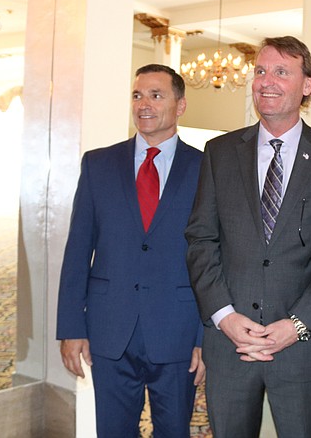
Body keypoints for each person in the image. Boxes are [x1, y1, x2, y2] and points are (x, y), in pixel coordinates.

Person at [185, 36, 311, 438]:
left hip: (300, 350)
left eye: (282, 72)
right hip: (230, 346)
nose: (267, 81)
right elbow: (200, 240)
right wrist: (224, 317)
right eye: (261, 71)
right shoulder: (219, 152)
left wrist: (296, 325)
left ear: (307, 85)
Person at [56, 64, 205, 437]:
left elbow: (215, 259)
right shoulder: (98, 164)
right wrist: (71, 328)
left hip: (178, 331)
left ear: (180, 105)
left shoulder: (207, 168)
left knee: (174, 431)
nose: (144, 105)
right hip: (109, 329)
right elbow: (78, 250)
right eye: (137, 95)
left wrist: (207, 339)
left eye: (156, 95)